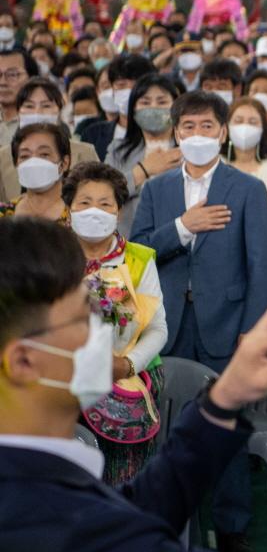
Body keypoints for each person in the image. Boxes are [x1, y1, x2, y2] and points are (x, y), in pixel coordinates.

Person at [0, 216, 267, 552]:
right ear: (24, 361)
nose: (101, 332)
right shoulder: (56, 526)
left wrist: (224, 399)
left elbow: (132, 510)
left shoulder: (36, 485)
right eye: (84, 318)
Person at [127, 90, 267, 551]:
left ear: (224, 133)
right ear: (175, 133)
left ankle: (232, 530)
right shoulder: (157, 189)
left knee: (226, 428)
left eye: (207, 127)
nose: (197, 135)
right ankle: (170, 524)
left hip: (227, 324)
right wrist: (184, 227)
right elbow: (138, 253)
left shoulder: (247, 188)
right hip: (168, 325)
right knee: (169, 430)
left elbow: (261, 266)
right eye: (187, 127)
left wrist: (252, 327)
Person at [61, 161, 167, 484]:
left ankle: (119, 504)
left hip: (128, 371)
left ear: (119, 212)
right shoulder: (53, 257)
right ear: (68, 210)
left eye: (105, 204)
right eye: (84, 202)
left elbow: (158, 329)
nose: (95, 211)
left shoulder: (138, 259)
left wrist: (127, 364)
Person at [224, 96, 267, 303]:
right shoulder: (216, 165)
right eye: (239, 120)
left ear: (264, 129)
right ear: (226, 127)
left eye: (253, 122)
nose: (245, 127)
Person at [105, 74, 181, 236]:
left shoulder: (187, 151)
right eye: (145, 102)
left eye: (162, 102)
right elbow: (103, 195)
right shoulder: (118, 151)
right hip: (128, 245)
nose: (153, 108)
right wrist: (143, 170)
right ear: (133, 109)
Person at [0, 77, 98, 201]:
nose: (37, 112)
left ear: (59, 111)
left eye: (46, 106)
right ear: (19, 112)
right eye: (29, 106)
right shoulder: (3, 156)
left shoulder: (85, 152)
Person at [1, 123, 72, 223]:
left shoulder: (78, 214)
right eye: (25, 156)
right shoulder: (3, 213)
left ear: (64, 163)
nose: (33, 162)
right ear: (16, 164)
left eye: (44, 154)